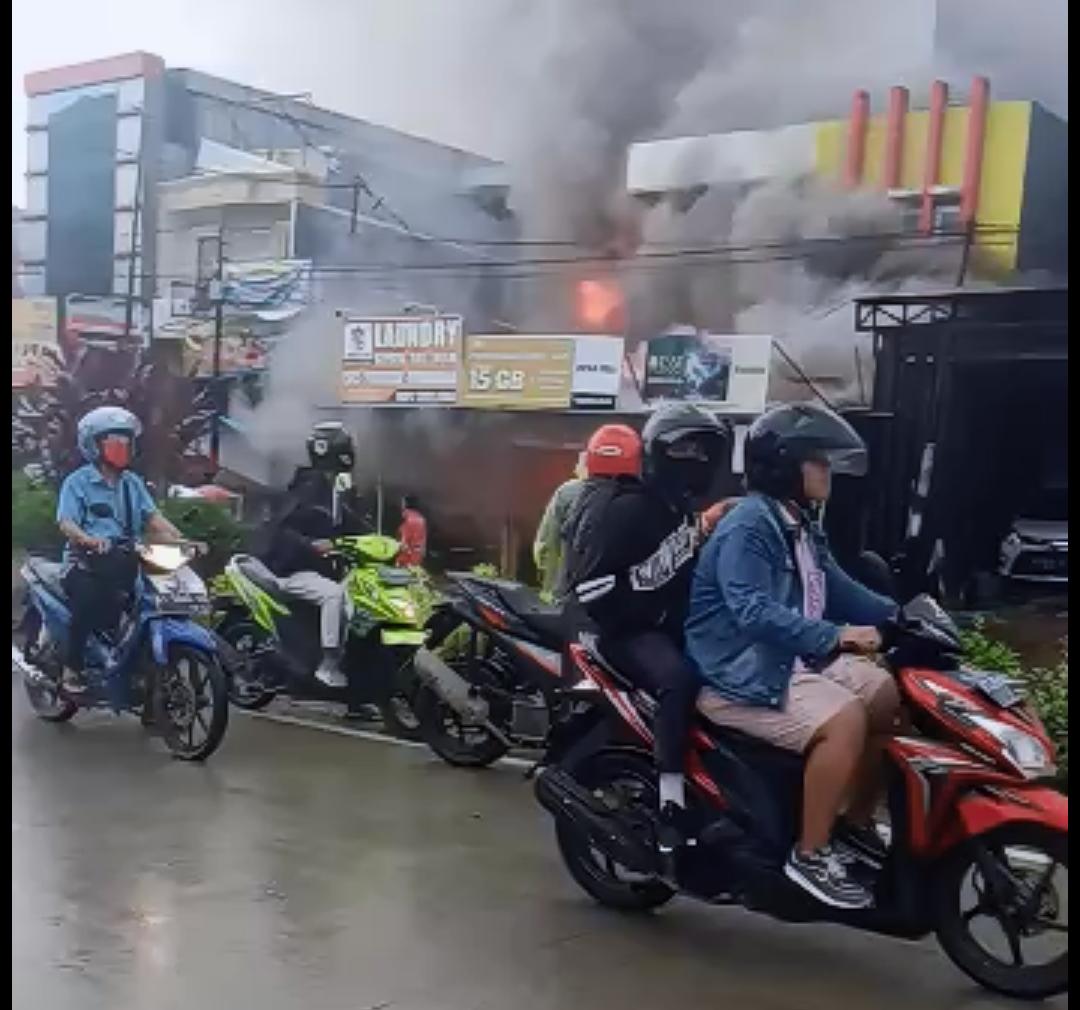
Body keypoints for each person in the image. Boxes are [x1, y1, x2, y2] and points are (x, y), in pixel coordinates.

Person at [685, 402, 900, 910]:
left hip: (786, 658)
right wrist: (837, 636)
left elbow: (837, 586)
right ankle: (810, 853)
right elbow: (751, 610)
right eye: (817, 460)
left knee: (888, 695)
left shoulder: (798, 523)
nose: (827, 469)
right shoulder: (749, 526)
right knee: (845, 719)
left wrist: (901, 617)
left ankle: (854, 823)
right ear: (785, 466)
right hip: (737, 668)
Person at [563, 406, 730, 860]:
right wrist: (683, 546)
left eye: (703, 451)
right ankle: (672, 796)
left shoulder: (681, 510)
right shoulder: (629, 508)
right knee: (679, 681)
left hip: (669, 625)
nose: (695, 459)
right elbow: (596, 588)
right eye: (685, 449)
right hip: (624, 630)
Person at [57, 406, 185, 693]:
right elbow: (66, 522)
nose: (122, 447)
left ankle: (141, 670)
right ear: (94, 444)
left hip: (125, 560)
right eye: (114, 440)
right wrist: (87, 539)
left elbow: (152, 518)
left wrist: (179, 538)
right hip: (85, 563)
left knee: (154, 603)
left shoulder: (132, 483)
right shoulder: (77, 482)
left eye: (126, 441)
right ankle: (72, 668)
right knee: (88, 602)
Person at [260, 422, 359, 689]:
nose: (350, 451)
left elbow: (355, 524)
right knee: (334, 596)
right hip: (293, 569)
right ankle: (328, 664)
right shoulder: (306, 487)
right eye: (344, 446)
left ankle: (357, 687)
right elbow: (282, 530)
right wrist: (312, 545)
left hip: (325, 571)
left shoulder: (338, 489)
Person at [533, 451, 587, 600]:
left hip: (565, 589)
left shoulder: (567, 492)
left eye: (579, 463)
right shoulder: (624, 494)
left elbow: (546, 542)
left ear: (584, 467)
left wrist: (549, 582)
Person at [397, 494, 428, 567]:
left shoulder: (406, 518)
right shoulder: (421, 518)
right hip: (418, 554)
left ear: (405, 504)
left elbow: (404, 539)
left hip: (407, 556)